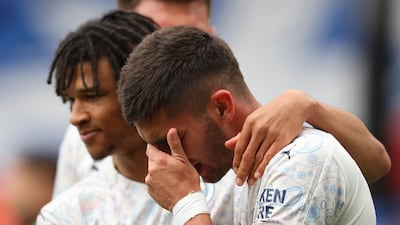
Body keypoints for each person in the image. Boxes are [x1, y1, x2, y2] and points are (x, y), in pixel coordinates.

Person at [53, 0, 390, 199]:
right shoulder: (84, 140)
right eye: (158, 32)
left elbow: (375, 165)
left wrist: (306, 104)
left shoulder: (223, 120)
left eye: (192, 32)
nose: (173, 45)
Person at [117, 26, 377, 224]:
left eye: (173, 140)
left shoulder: (299, 162)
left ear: (222, 107)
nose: (166, 161)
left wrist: (187, 204)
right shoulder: (235, 167)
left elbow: (379, 163)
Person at [37, 10, 233, 225]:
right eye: (70, 101)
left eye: (93, 96)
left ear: (139, 89)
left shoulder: (234, 182)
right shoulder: (66, 214)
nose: (75, 117)